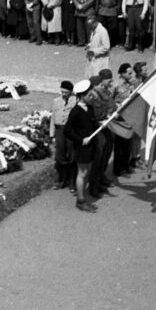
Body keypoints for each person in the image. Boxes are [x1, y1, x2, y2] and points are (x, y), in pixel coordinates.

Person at [64, 80, 101, 213]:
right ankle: (80, 201)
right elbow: (67, 131)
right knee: (82, 173)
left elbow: (92, 123)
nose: (92, 97)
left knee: (86, 172)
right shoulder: (75, 111)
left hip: (91, 146)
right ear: (82, 96)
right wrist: (80, 140)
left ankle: (83, 197)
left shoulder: (89, 108)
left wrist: (100, 124)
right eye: (89, 95)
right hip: (82, 148)